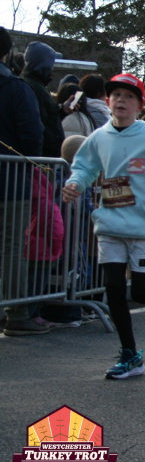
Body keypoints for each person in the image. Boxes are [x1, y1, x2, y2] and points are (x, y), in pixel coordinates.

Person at [62, 73, 145, 378]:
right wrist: (75, 183)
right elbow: (84, 166)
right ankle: (130, 354)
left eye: (129, 96)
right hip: (110, 224)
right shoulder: (99, 137)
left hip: (143, 225)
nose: (121, 100)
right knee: (114, 289)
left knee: (143, 293)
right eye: (116, 95)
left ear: (140, 105)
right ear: (108, 101)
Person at [0, 27, 46, 335]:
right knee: (11, 247)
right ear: (7, 53)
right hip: (10, 180)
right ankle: (16, 312)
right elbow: (32, 134)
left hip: (11, 176)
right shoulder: (16, 88)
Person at [20, 42, 65, 157]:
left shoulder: (35, 85)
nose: (52, 67)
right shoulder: (35, 88)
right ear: (44, 64)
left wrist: (62, 110)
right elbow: (39, 125)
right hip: (44, 157)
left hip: (43, 156)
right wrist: (54, 144)